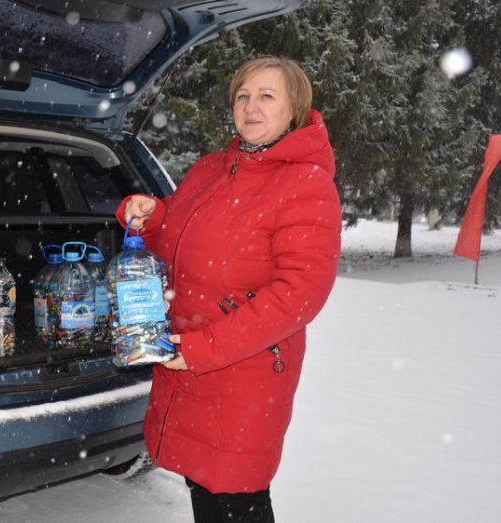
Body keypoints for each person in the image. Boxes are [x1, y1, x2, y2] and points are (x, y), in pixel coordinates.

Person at [115, 56, 341, 522]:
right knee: (203, 484)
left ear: (294, 108)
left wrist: (204, 348)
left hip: (244, 373)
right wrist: (151, 216)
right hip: (188, 359)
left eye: (266, 96)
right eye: (243, 96)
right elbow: (176, 236)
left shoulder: (306, 184)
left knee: (238, 495)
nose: (250, 107)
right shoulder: (211, 169)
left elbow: (299, 294)